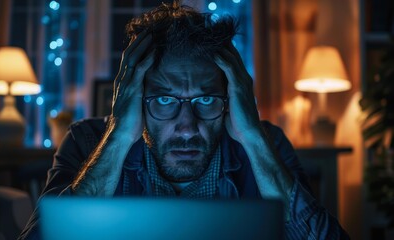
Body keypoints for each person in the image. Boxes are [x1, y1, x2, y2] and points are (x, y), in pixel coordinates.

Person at [19, 2, 349, 239]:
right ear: (133, 99)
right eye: (164, 100)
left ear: (232, 99)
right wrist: (118, 137)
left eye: (206, 99)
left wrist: (252, 136)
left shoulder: (266, 142)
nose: (187, 126)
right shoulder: (86, 140)